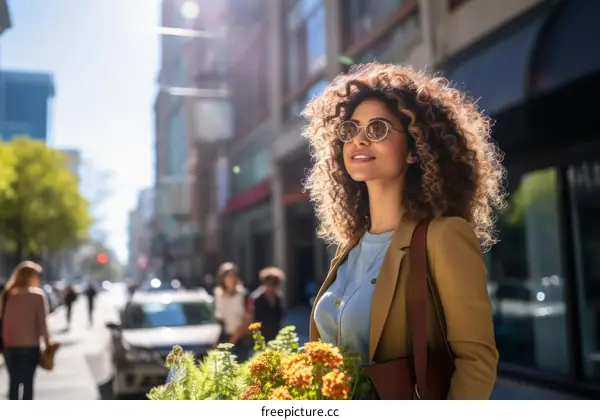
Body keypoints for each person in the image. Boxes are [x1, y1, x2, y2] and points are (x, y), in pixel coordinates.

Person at [305, 63, 505, 400]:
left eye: (378, 128)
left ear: (415, 149)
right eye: (350, 129)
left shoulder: (444, 237)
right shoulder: (349, 249)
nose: (360, 138)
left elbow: (476, 360)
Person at [0, 261, 51, 400]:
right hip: (30, 346)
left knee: (13, 383)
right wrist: (48, 344)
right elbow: (42, 324)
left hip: (10, 346)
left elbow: (4, 321)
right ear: (32, 276)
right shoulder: (38, 295)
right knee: (28, 384)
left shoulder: (7, 295)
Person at [213, 262, 252, 361]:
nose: (232, 279)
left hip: (240, 340)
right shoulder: (218, 294)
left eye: (234, 276)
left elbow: (248, 319)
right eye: (229, 276)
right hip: (224, 338)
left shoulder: (244, 295)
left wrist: (233, 340)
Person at [249, 267, 285, 342]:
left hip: (275, 333)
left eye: (274, 285)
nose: (272, 288)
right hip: (262, 335)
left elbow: (280, 315)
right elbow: (254, 318)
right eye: (270, 284)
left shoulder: (278, 298)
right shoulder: (257, 298)